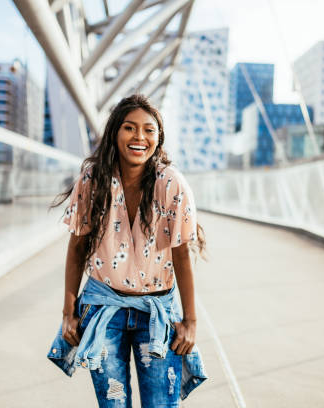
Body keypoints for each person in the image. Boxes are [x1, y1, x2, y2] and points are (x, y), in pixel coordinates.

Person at [47, 94, 208, 407]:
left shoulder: (172, 184)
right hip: (104, 311)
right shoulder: (93, 180)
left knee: (161, 404)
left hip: (157, 314)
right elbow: (77, 248)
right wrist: (68, 313)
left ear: (158, 137)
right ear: (114, 133)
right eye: (129, 128)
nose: (139, 137)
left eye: (149, 130)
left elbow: (182, 256)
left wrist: (190, 321)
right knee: (113, 404)